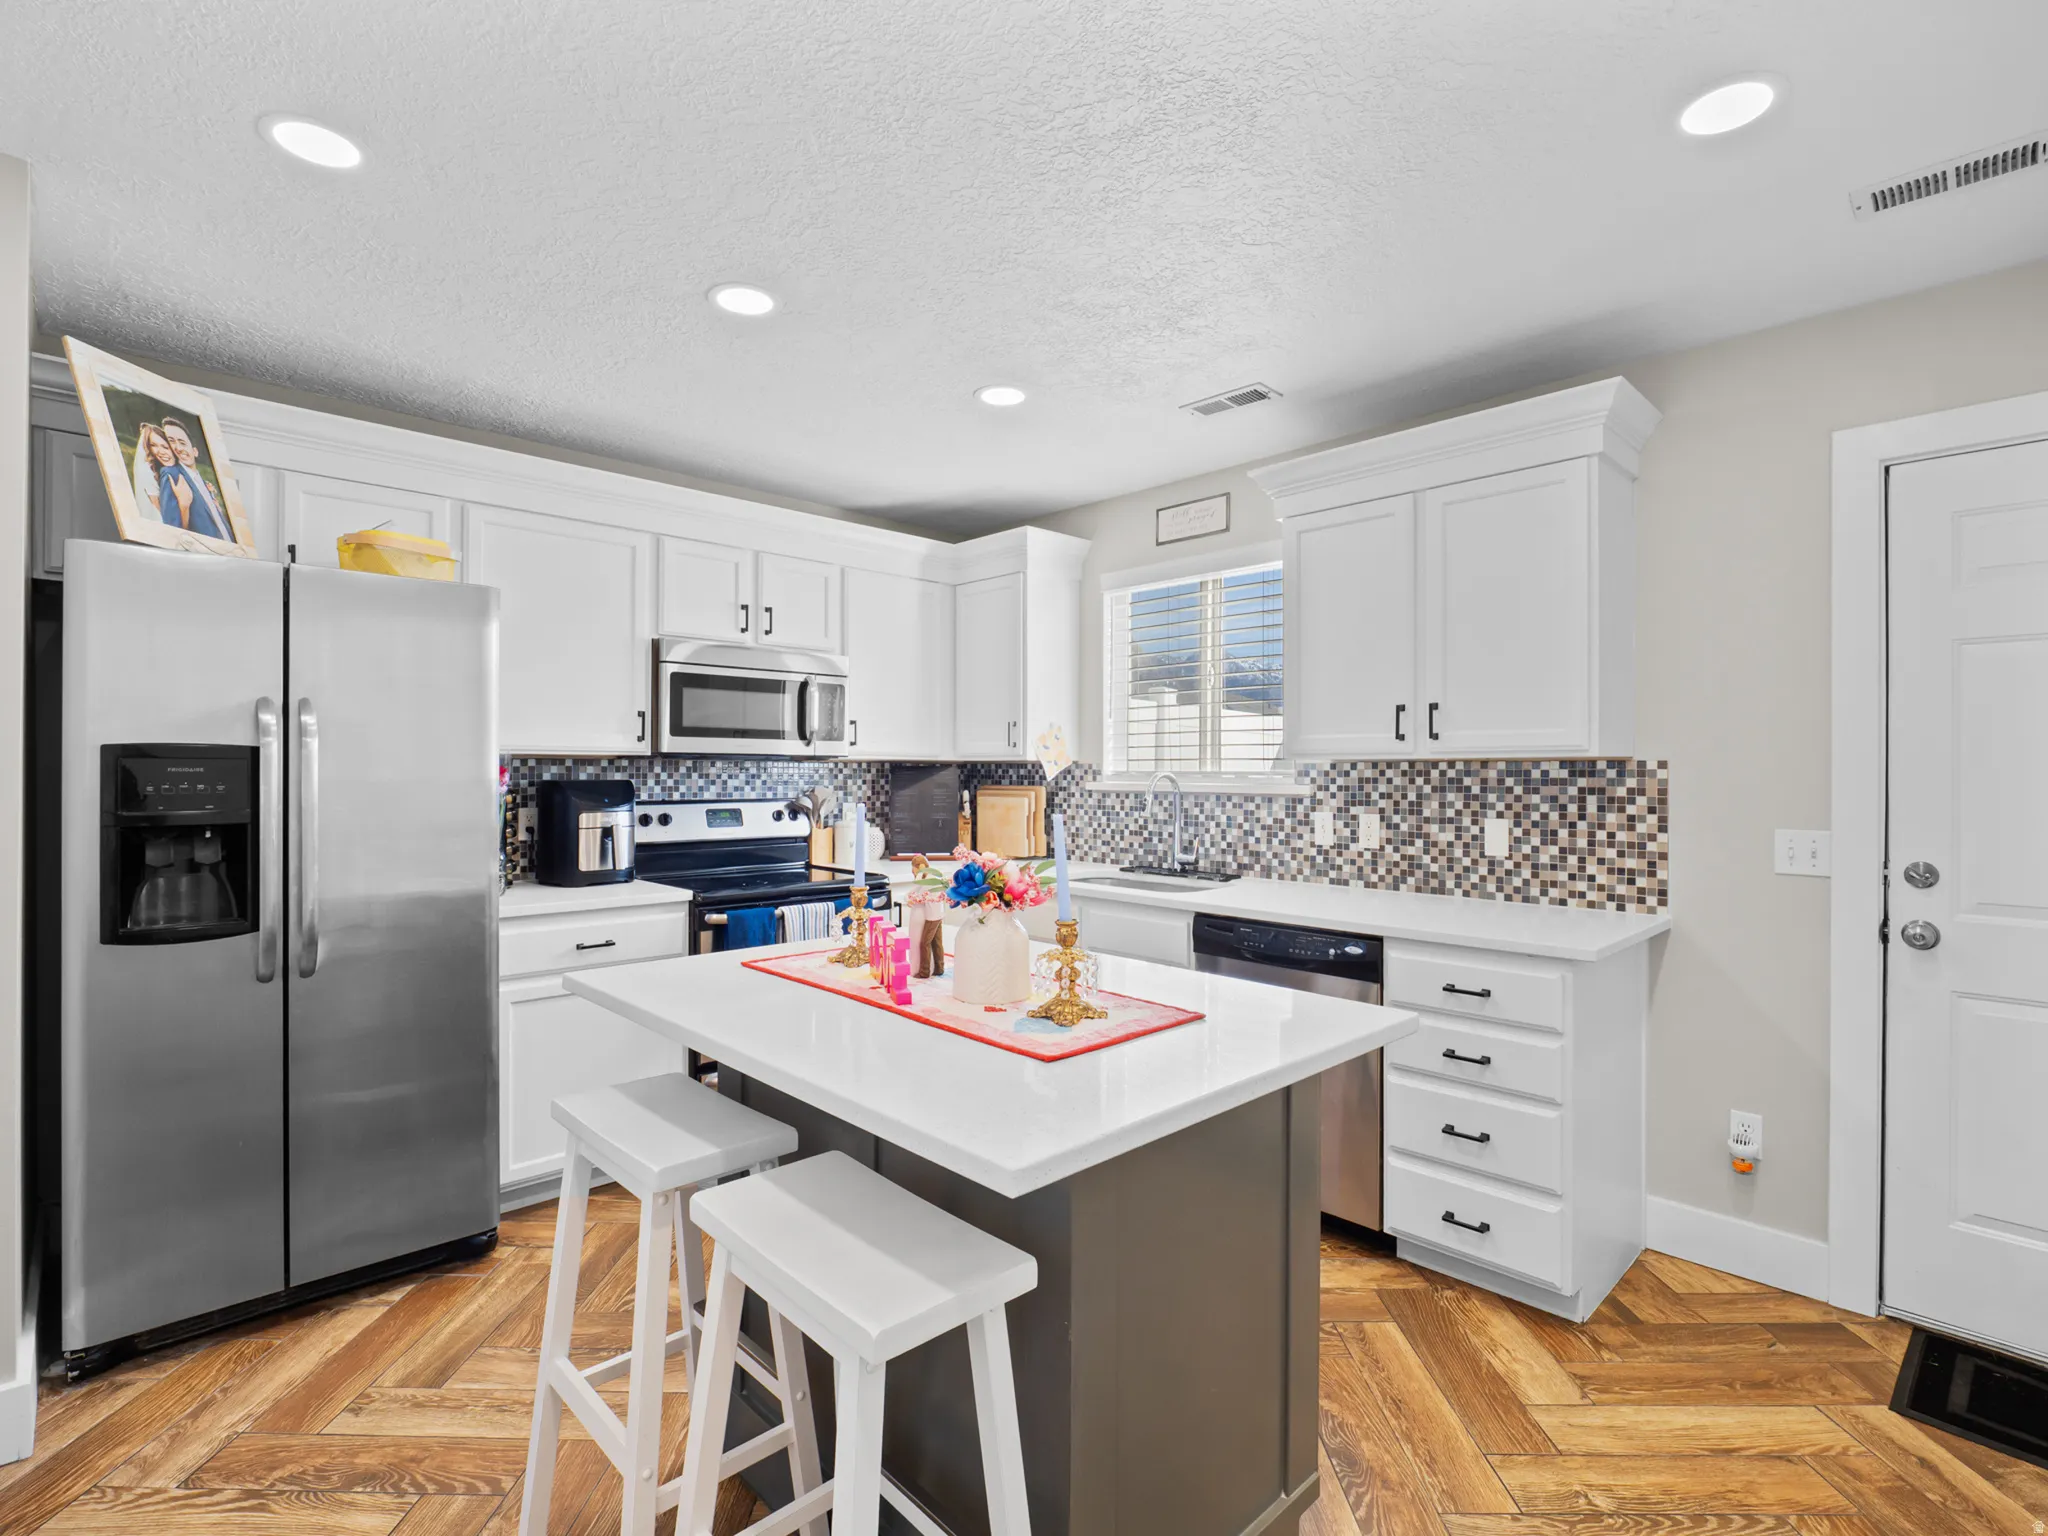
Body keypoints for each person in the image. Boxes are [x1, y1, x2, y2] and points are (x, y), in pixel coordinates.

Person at [155, 418, 232, 541]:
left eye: (182, 442)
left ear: (195, 451)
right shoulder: (171, 475)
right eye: (171, 442)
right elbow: (171, 529)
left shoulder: (203, 480)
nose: (178, 448)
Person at [130, 422, 176, 519]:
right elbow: (158, 508)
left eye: (165, 446)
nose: (160, 451)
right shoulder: (146, 472)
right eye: (154, 445)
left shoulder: (164, 469)